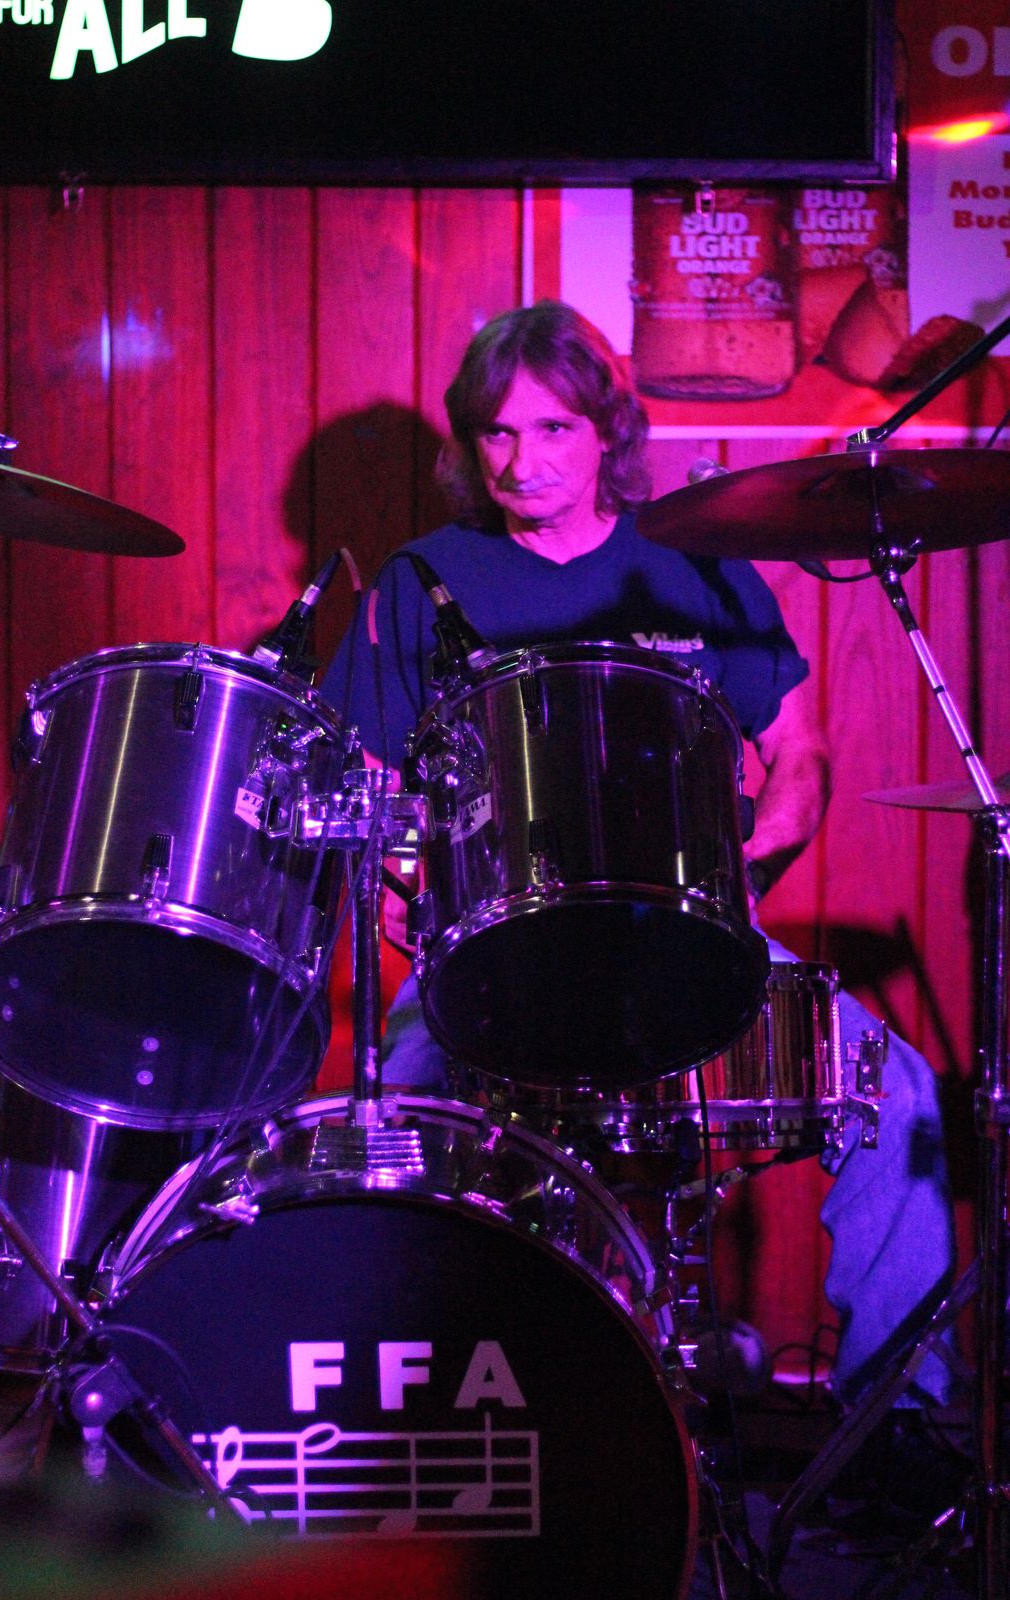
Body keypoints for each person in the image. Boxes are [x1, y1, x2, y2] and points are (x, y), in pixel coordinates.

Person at [321, 300, 956, 1409]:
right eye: (496, 433)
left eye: (552, 429)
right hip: (489, 954)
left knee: (894, 1097)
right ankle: (413, 1416)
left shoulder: (694, 563)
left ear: (605, 430)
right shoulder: (423, 580)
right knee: (392, 1130)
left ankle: (897, 1422)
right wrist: (403, 881)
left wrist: (745, 869)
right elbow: (366, 786)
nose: (520, 461)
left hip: (685, 943)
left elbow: (798, 753)